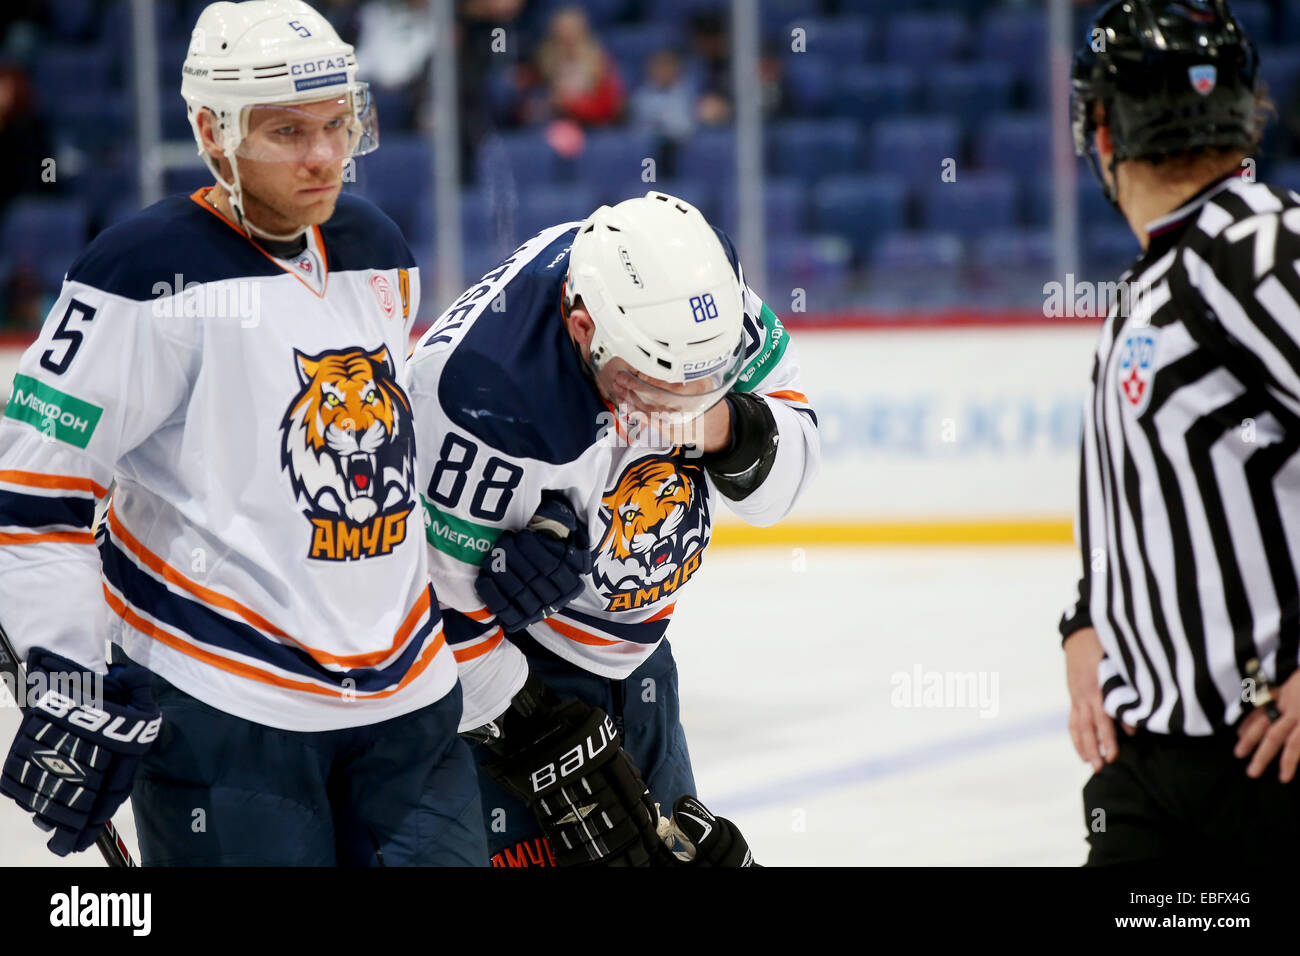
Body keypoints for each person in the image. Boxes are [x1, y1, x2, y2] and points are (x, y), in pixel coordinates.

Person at [0, 0, 485, 866]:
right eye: (289, 132)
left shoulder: (379, 247)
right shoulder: (138, 276)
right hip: (225, 716)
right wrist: (67, 686)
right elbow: (36, 502)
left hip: (409, 703)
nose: (326, 156)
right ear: (211, 132)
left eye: (339, 125)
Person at [406, 191, 819, 866]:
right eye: (647, 387)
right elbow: (427, 610)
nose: (667, 416)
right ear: (581, 328)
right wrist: (533, 732)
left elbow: (785, 475)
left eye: (701, 385)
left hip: (639, 659)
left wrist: (718, 423)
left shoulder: (700, 296)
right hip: (518, 677)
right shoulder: (474, 397)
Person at [1063, 0, 1300, 865]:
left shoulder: (1258, 248)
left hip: (1260, 768)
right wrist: (1085, 619)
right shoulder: (1158, 277)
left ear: (1103, 132)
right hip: (1146, 768)